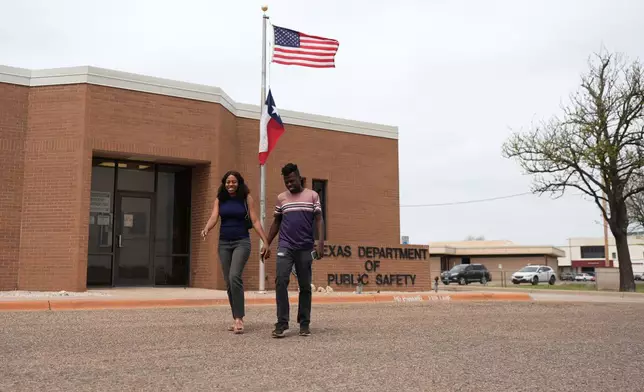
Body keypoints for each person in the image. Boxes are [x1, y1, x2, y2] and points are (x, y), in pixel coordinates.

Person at [201, 171, 270, 334]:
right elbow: (213, 217)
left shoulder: (246, 198)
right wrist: (206, 228)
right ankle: (236, 317)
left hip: (242, 242)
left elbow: (254, 220)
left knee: (234, 276)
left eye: (233, 182)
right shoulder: (220, 198)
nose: (230, 185)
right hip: (224, 243)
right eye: (228, 182)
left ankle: (239, 319)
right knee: (228, 282)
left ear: (239, 183)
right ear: (224, 183)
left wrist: (265, 241)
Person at [267, 163, 324, 338]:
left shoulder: (312, 196)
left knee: (305, 286)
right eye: (286, 182)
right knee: (281, 280)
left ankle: (304, 322)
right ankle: (282, 322)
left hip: (305, 247)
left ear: (300, 178)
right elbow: (276, 222)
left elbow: (319, 219)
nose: (289, 184)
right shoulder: (281, 198)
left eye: (292, 181)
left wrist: (320, 242)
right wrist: (267, 243)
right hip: (285, 246)